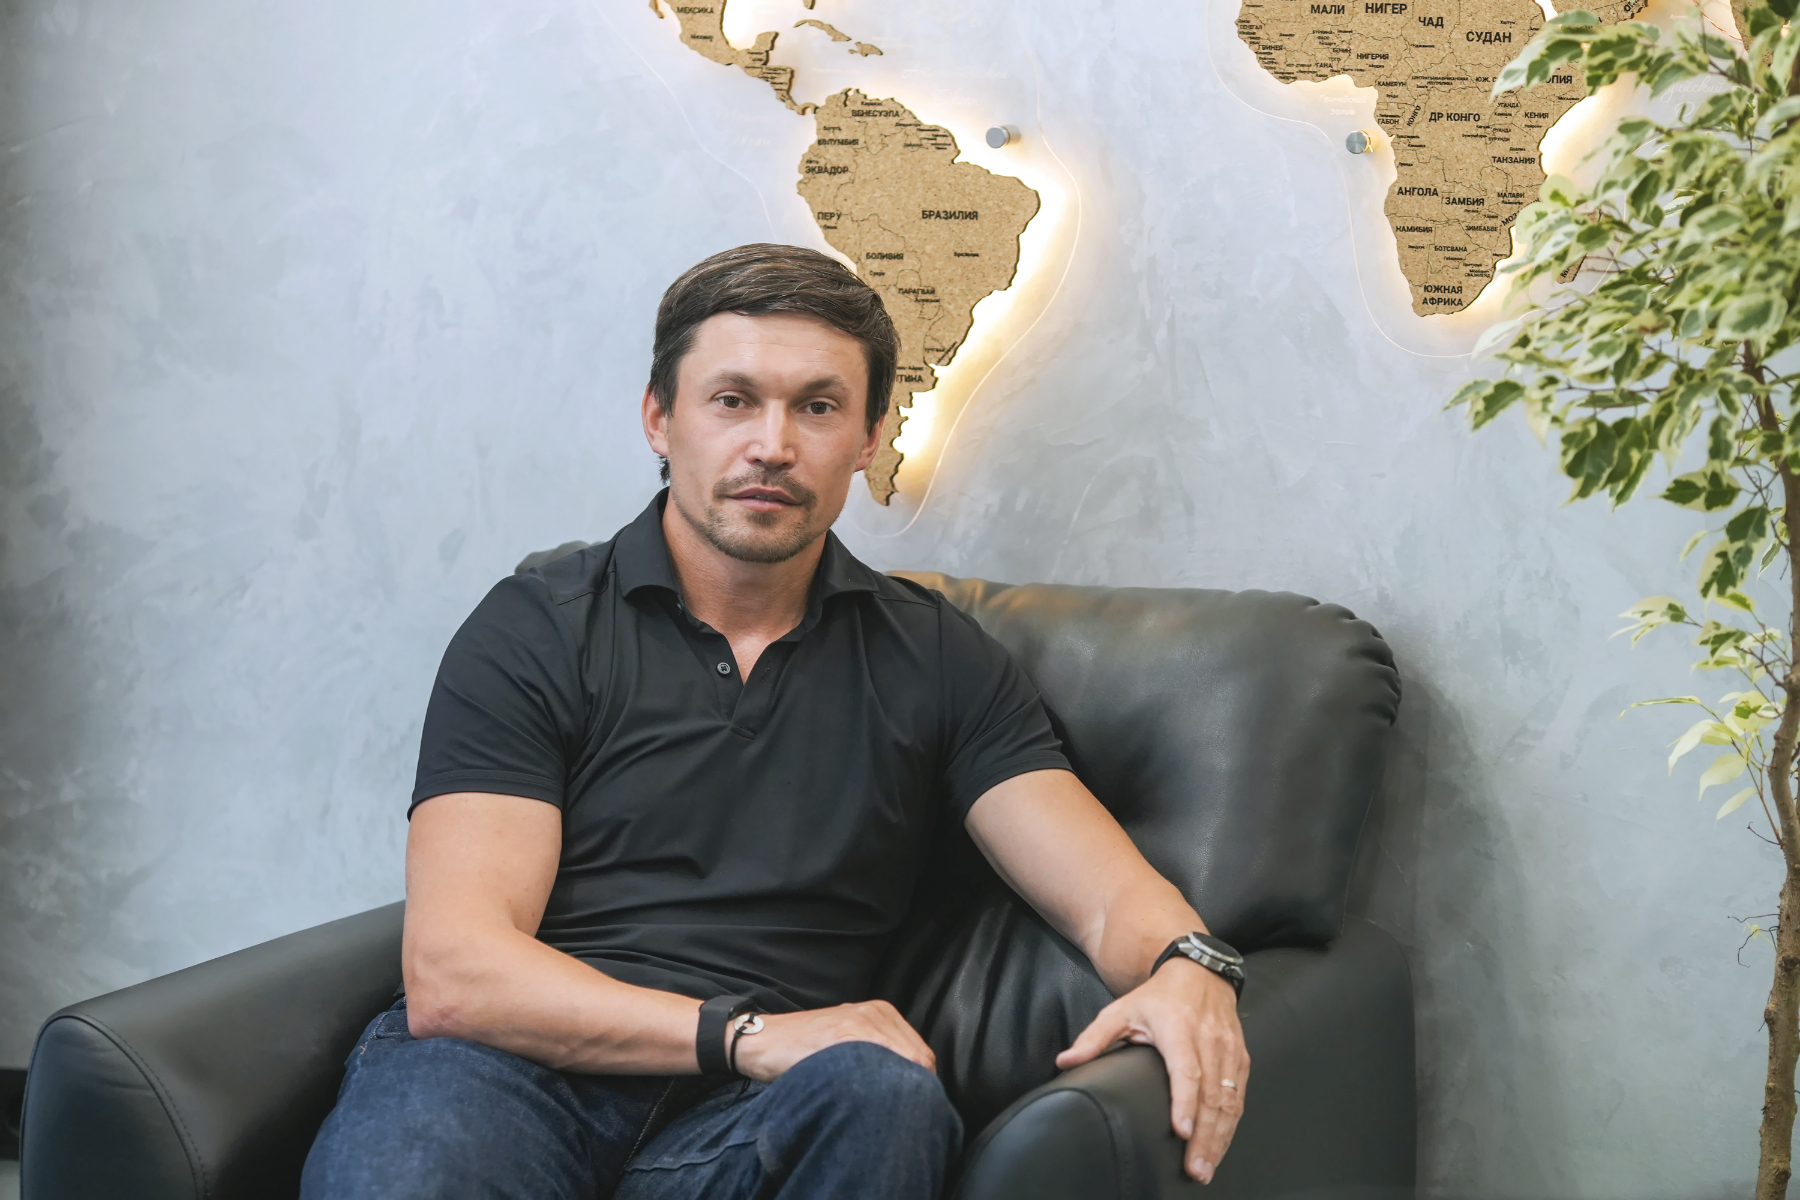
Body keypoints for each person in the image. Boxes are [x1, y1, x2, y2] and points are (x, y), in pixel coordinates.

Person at [299, 244, 1251, 1200]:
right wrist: (743, 1035)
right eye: (733, 400)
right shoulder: (538, 628)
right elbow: (457, 972)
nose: (772, 445)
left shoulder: (938, 659)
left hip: (754, 1118)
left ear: (870, 438)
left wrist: (1190, 966)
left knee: (884, 1093)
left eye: (818, 407)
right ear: (659, 418)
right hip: (507, 1077)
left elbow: (1106, 897)